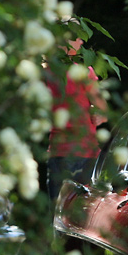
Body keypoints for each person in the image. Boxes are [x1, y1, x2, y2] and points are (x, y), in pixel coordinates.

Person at [46, 39, 108, 201]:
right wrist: (100, 116)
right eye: (76, 37)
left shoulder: (45, 74)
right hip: (85, 152)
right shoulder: (83, 73)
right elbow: (104, 109)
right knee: (87, 207)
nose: (81, 41)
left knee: (60, 208)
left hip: (58, 152)